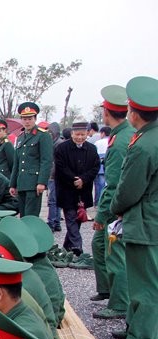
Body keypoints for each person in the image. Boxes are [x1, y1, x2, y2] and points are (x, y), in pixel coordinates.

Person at [109, 76, 158, 339]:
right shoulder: (150, 138)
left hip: (145, 220)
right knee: (146, 276)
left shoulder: (144, 145)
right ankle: (135, 325)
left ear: (134, 113)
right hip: (152, 218)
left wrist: (114, 208)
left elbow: (129, 190)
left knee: (144, 281)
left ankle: (142, 337)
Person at [91, 85, 135, 320]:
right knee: (100, 246)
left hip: (116, 207)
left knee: (114, 252)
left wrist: (102, 214)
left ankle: (118, 304)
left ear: (106, 113)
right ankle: (108, 290)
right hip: (120, 204)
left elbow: (114, 183)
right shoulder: (124, 134)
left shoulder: (119, 142)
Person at [53, 122, 100, 257]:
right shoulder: (62, 148)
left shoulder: (92, 149)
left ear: (87, 134)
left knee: (78, 218)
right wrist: (74, 179)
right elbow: (60, 167)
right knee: (71, 217)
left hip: (83, 190)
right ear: (72, 134)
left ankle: (67, 247)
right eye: (77, 134)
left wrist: (83, 179)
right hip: (67, 189)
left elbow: (95, 167)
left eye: (83, 134)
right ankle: (77, 246)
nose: (80, 137)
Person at [10, 102, 53, 217]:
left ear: (35, 119)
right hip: (21, 182)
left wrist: (41, 182)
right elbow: (17, 163)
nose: (27, 122)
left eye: (30, 119)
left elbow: (46, 161)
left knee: (31, 216)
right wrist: (13, 184)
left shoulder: (43, 135)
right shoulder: (20, 138)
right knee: (23, 216)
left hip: (34, 183)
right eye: (24, 119)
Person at [93, 126, 110, 207]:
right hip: (109, 167)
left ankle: (98, 202)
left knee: (99, 186)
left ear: (103, 133)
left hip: (99, 167)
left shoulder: (98, 142)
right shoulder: (112, 141)